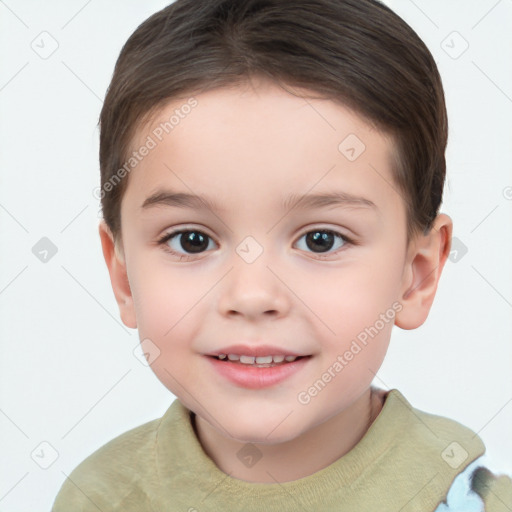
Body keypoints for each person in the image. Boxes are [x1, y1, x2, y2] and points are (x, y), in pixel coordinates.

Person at [51, 0, 512, 510]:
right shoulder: (98, 499)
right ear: (123, 277)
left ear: (416, 276)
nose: (252, 296)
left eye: (321, 240)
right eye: (192, 240)